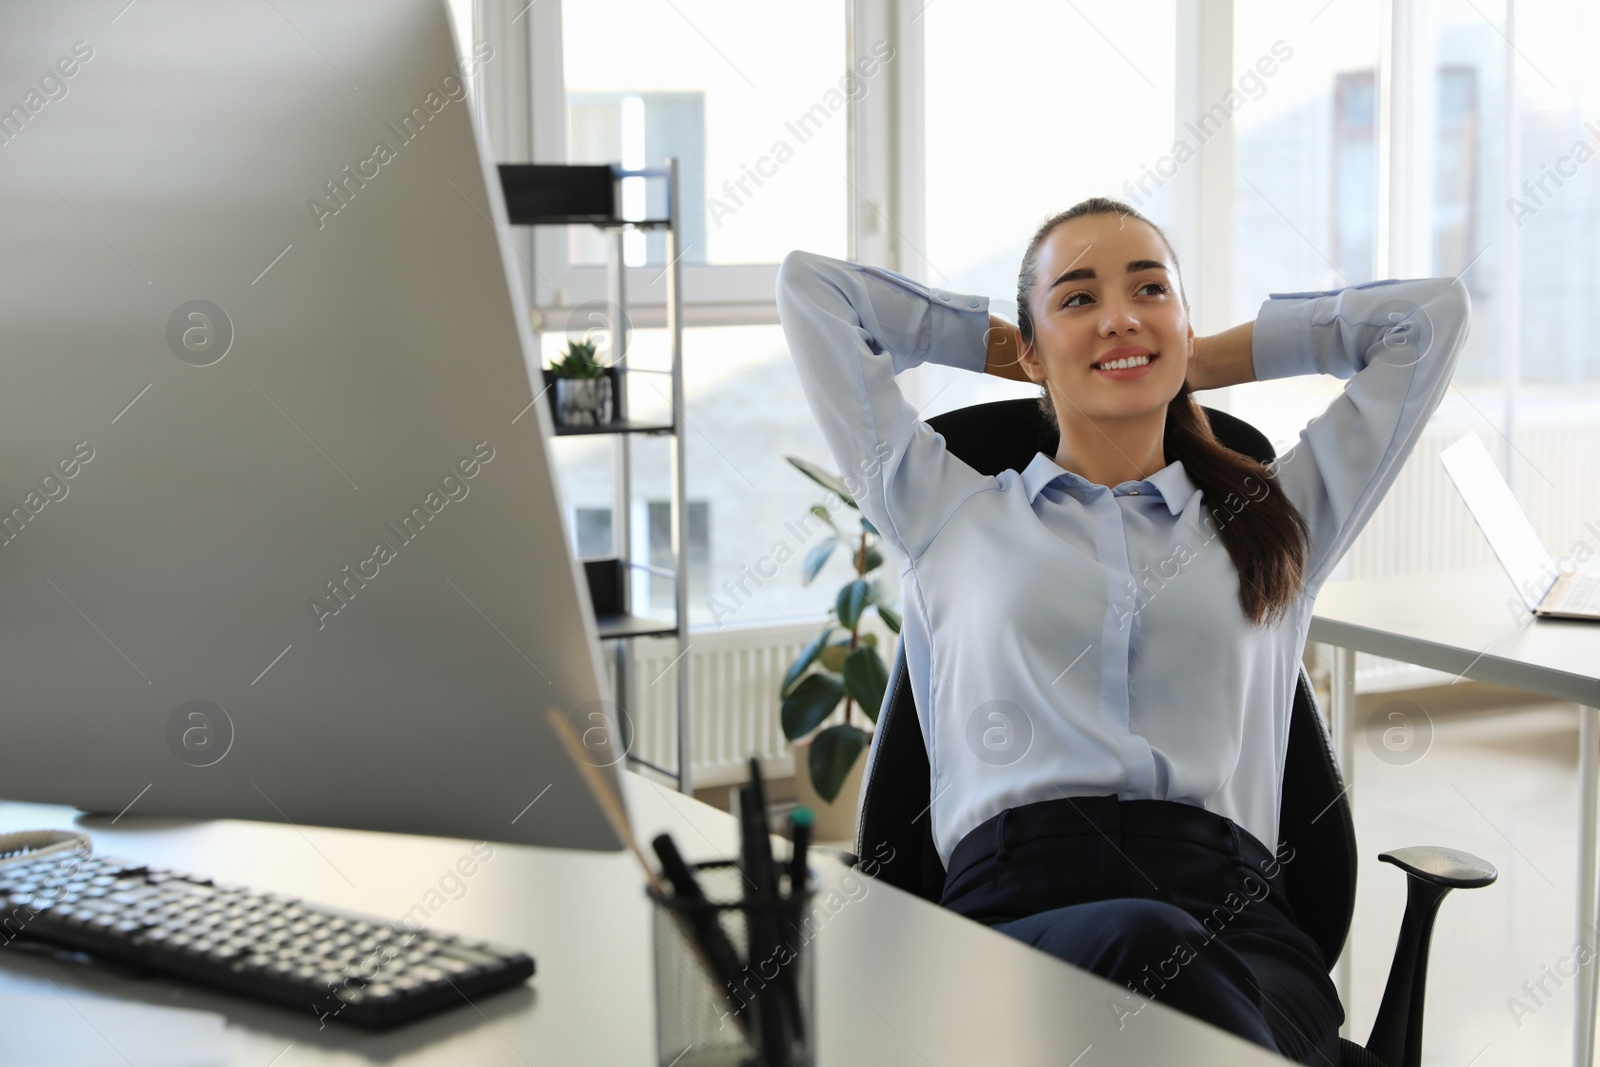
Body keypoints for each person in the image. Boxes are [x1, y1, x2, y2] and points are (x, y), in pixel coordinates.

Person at [774, 196, 1471, 1064]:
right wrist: (1034, 353)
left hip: (1241, 934)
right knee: (1149, 952)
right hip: (1011, 927)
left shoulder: (1277, 517)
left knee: (1171, 971)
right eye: (1076, 298)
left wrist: (1194, 357)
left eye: (1150, 290)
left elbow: (1428, 318)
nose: (1118, 314)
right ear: (1030, 342)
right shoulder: (946, 512)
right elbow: (813, 291)